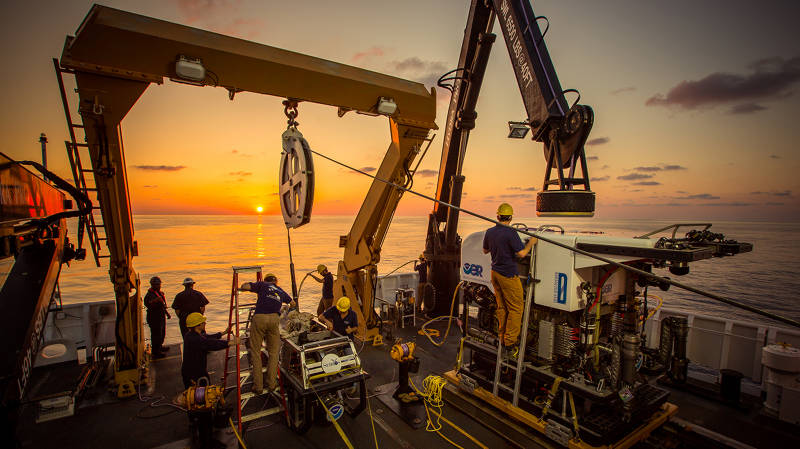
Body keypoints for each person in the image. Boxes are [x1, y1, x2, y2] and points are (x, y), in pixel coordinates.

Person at [482, 203, 536, 359]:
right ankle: (510, 343)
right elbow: (521, 254)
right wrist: (531, 243)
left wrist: (498, 247)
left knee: (502, 306)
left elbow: (485, 250)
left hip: (495, 274)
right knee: (516, 308)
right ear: (511, 217)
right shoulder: (511, 233)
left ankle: (502, 336)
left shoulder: (490, 232)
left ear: (497, 216)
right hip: (508, 275)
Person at [239, 273, 295, 395]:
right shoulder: (280, 290)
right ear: (276, 281)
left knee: (255, 352)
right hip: (274, 319)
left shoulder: (262, 284)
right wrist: (283, 310)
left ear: (266, 280)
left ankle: (258, 386)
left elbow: (245, 286)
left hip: (259, 318)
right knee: (274, 353)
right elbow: (293, 303)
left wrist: (244, 286)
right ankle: (271, 384)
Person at [181, 312, 235, 389]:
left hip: (191, 371)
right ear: (198, 325)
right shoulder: (195, 339)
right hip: (195, 374)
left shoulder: (190, 335)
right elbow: (210, 344)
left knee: (198, 394)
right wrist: (230, 343)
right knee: (201, 395)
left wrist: (224, 333)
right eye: (203, 322)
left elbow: (207, 337)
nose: (205, 323)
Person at [143, 276, 171, 357]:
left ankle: (160, 346)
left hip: (161, 315)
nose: (159, 286)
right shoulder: (149, 295)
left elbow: (162, 305)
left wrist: (167, 313)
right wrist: (155, 301)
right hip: (154, 317)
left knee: (162, 333)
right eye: (156, 285)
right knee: (156, 335)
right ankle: (156, 352)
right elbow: (147, 304)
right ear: (152, 285)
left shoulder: (159, 293)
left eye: (159, 284)